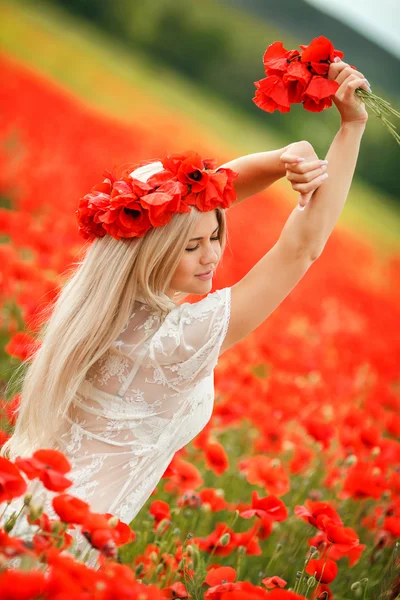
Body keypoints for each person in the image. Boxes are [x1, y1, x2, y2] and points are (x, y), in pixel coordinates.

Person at [0, 59, 369, 569]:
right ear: (149, 253)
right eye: (193, 247)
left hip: (19, 516)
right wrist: (352, 127)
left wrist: (285, 158)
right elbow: (303, 246)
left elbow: (195, 201)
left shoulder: (104, 301)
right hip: (58, 549)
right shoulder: (172, 340)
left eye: (216, 236)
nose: (212, 255)